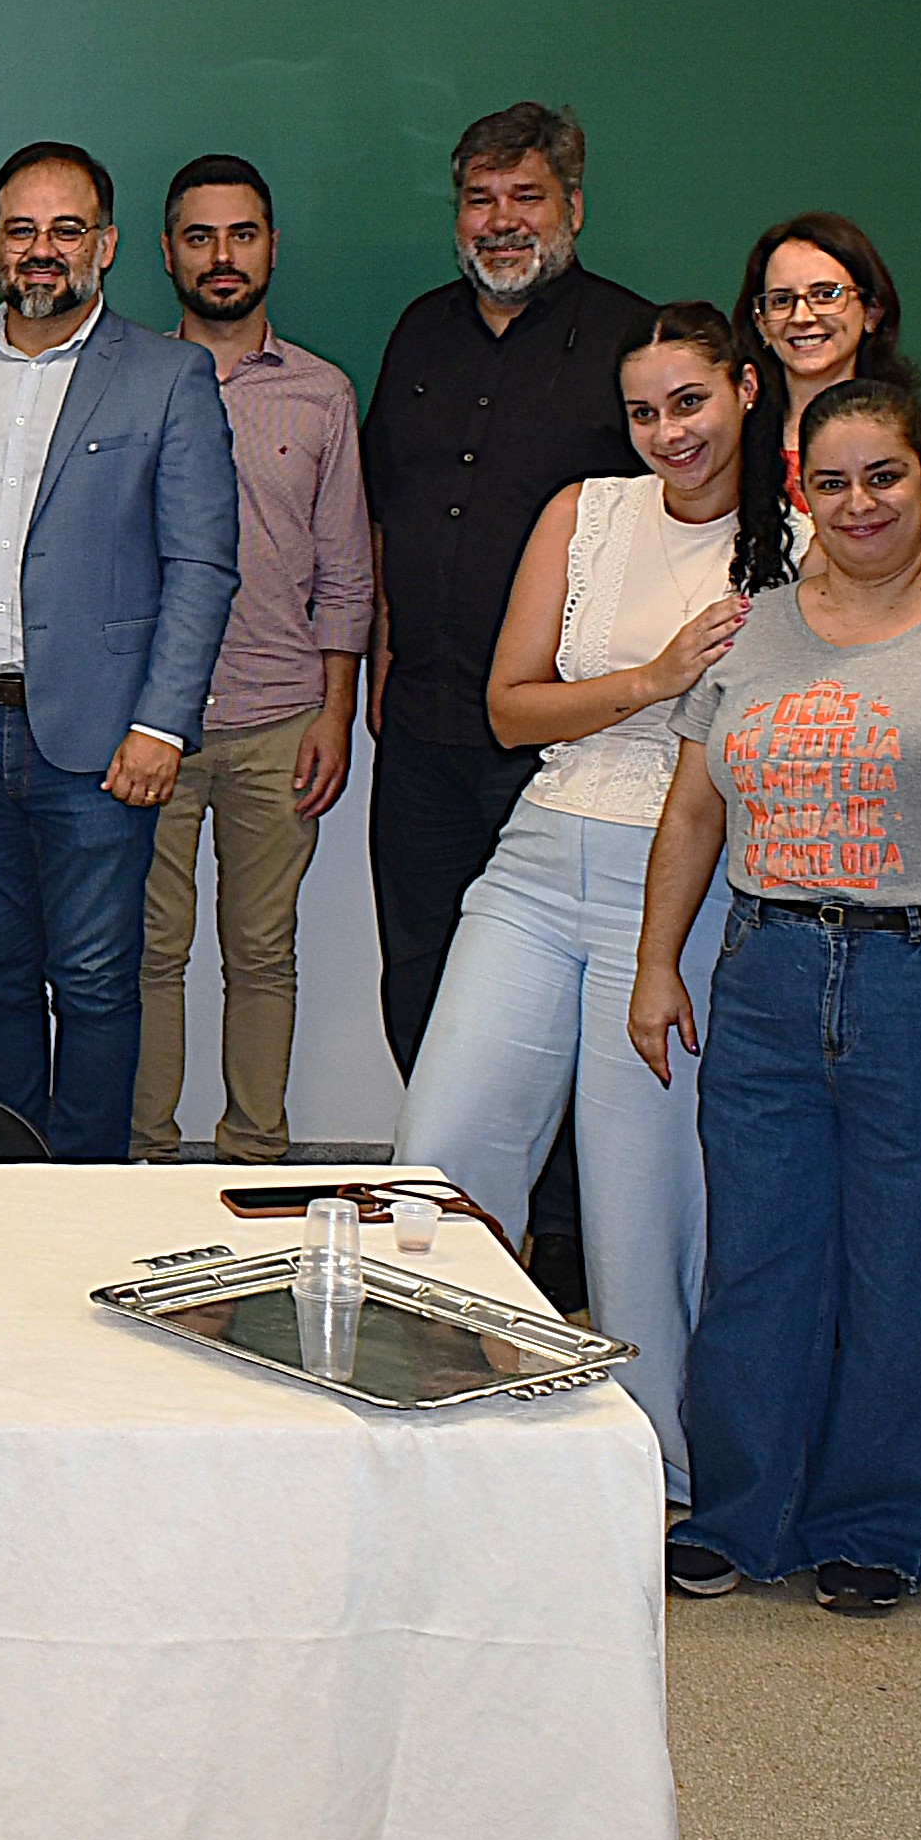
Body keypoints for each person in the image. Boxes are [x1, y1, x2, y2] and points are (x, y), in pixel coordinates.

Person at [634, 375, 921, 1613]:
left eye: (884, 474)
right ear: (800, 495)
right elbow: (693, 805)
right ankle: (740, 1512)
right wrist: (656, 958)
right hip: (769, 971)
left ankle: (880, 1522)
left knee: (915, 1270)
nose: (860, 502)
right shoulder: (750, 630)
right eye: (830, 482)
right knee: (759, 1262)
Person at [387, 302, 779, 1495]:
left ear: (746, 391)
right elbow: (511, 707)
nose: (671, 432)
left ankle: (653, 1476)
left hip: (677, 894)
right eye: (646, 411)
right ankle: (429, 1430)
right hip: (540, 859)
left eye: (692, 402)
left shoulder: (806, 547)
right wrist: (652, 679)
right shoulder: (584, 512)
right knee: (442, 1148)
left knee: (638, 1200)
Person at [0, 143, 239, 1161]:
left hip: (102, 742)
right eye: (22, 230)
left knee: (91, 979)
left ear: (108, 245)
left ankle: (82, 1197)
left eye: (66, 229)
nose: (43, 251)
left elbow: (202, 565)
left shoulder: (171, 376)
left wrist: (161, 723)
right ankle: (8, 1183)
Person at [362, 103, 661, 1276]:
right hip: (425, 727)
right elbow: (387, 507)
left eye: (526, 198)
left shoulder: (632, 341)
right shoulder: (418, 332)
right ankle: (464, 1229)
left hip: (567, 749)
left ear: (572, 207)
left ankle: (572, 1254)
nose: (501, 222)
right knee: (422, 978)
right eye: (480, 200)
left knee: (579, 1017)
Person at [131, 155, 374, 1165]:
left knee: (263, 951)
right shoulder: (130, 382)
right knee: (146, 952)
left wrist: (334, 712)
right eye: (200, 236)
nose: (222, 256)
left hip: (282, 718)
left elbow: (347, 571)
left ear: (271, 244)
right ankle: (140, 1154)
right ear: (166, 251)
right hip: (151, 723)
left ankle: (253, 1154)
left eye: (242, 234)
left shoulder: (321, 393)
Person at [729, 211, 917, 543]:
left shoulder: (908, 443)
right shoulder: (730, 452)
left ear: (872, 311)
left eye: (826, 294)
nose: (802, 317)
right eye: (782, 301)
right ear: (761, 324)